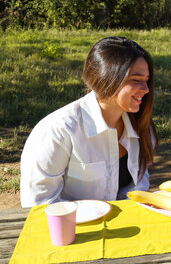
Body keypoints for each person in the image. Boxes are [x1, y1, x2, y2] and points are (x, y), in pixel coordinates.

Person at [20, 37, 158, 207]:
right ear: (106, 79)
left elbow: (138, 186)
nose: (146, 89)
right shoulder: (58, 131)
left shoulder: (141, 126)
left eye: (146, 80)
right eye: (136, 80)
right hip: (73, 231)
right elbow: (39, 204)